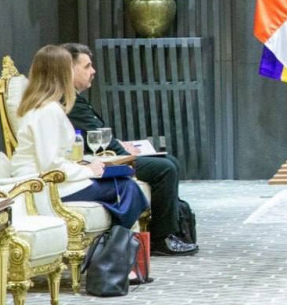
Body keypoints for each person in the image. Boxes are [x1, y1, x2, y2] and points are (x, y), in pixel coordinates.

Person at [62, 43, 198, 256]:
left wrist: (122, 146)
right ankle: (161, 238)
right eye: (87, 66)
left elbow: (99, 135)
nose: (93, 71)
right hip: (93, 161)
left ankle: (171, 230)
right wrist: (126, 155)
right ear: (69, 69)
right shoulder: (68, 101)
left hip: (101, 156)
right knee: (164, 168)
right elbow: (98, 138)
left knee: (170, 161)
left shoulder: (75, 98)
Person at [10, 45, 149, 230]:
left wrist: (86, 167)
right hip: (44, 186)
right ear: (62, 73)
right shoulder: (47, 110)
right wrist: (88, 170)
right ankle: (118, 243)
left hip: (48, 182)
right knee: (126, 187)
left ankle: (118, 240)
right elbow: (51, 165)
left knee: (123, 182)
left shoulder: (42, 106)